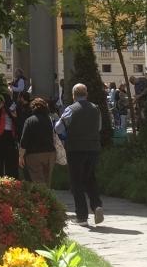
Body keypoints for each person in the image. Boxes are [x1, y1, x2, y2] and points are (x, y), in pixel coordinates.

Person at [56, 82, 104, 227]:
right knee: (90, 178)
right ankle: (96, 205)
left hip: (75, 149)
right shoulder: (96, 108)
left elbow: (58, 128)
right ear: (86, 94)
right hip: (93, 148)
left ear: (73, 96)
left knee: (76, 182)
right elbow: (99, 128)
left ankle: (82, 217)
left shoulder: (70, 109)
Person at [19, 97, 56, 187]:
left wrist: (21, 156)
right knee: (46, 182)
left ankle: (41, 195)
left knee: (38, 183)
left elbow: (24, 141)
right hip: (50, 154)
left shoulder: (29, 121)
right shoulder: (49, 120)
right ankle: (47, 195)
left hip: (34, 155)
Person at [0, 93, 19, 178]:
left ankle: (11, 178)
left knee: (10, 158)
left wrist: (9, 111)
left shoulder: (12, 106)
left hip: (10, 134)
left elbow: (16, 118)